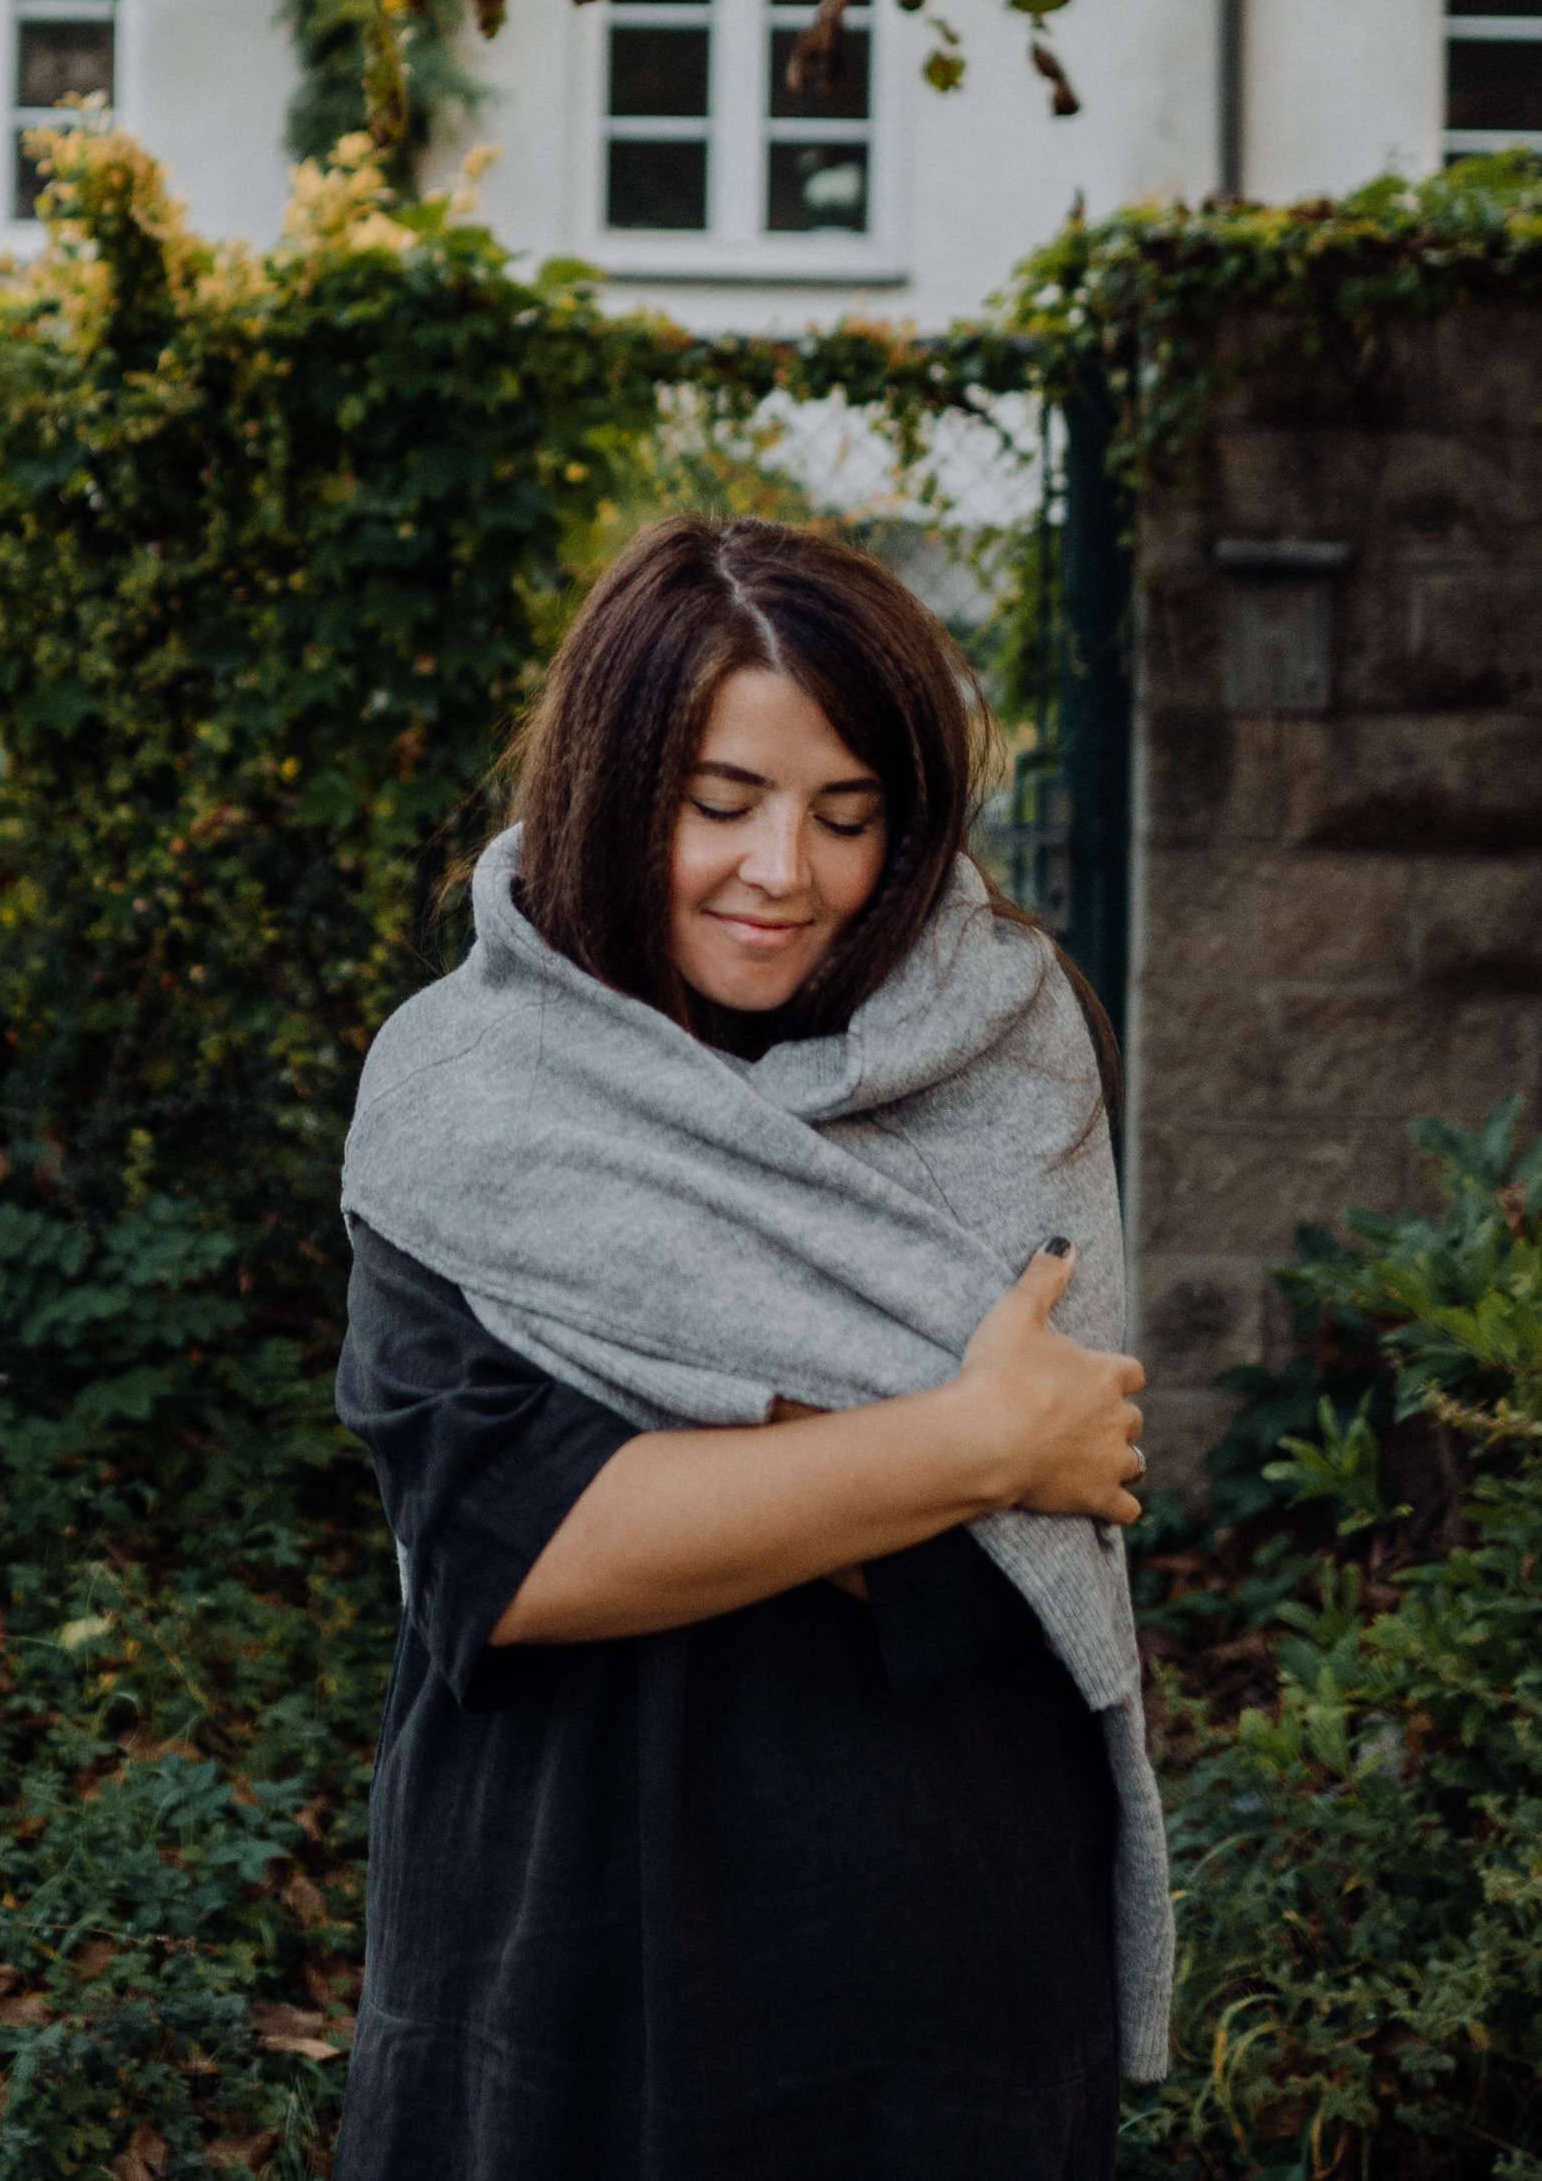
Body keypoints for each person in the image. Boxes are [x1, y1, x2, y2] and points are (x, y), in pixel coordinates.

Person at [332, 515, 1164, 2181]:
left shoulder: (1007, 1056)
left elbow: (1023, 1554)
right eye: (718, 805)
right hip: (559, 1913)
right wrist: (961, 1446)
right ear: (606, 781)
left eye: (848, 817)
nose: (783, 872)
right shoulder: (467, 1094)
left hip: (931, 1920)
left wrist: (718, 1464)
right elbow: (520, 1547)